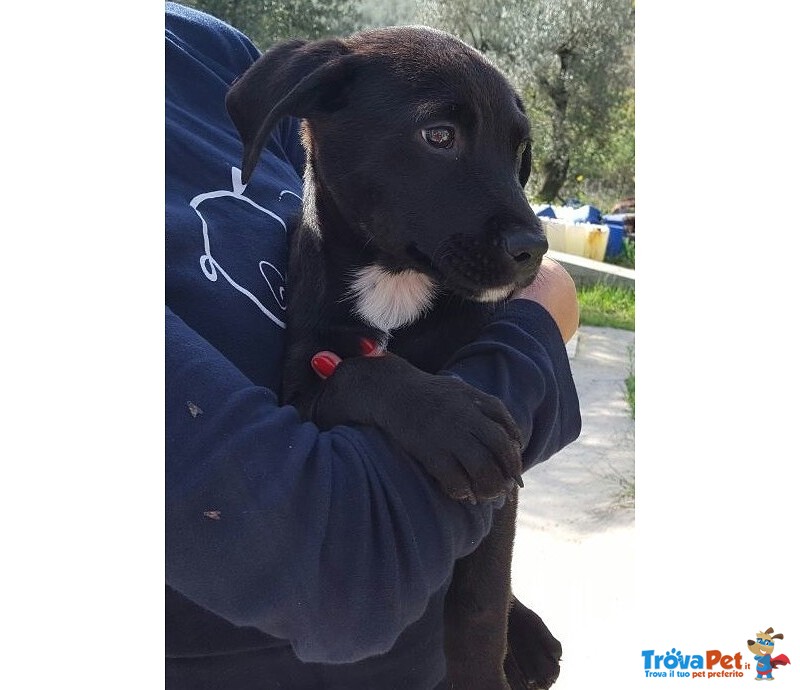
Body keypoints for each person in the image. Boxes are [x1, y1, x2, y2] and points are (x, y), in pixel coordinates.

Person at [165, 3, 582, 688]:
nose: (523, 228)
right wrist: (530, 335)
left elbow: (489, 466)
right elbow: (321, 386)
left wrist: (486, 623)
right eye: (440, 134)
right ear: (313, 114)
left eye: (512, 159)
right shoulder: (320, 276)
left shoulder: (203, 45)